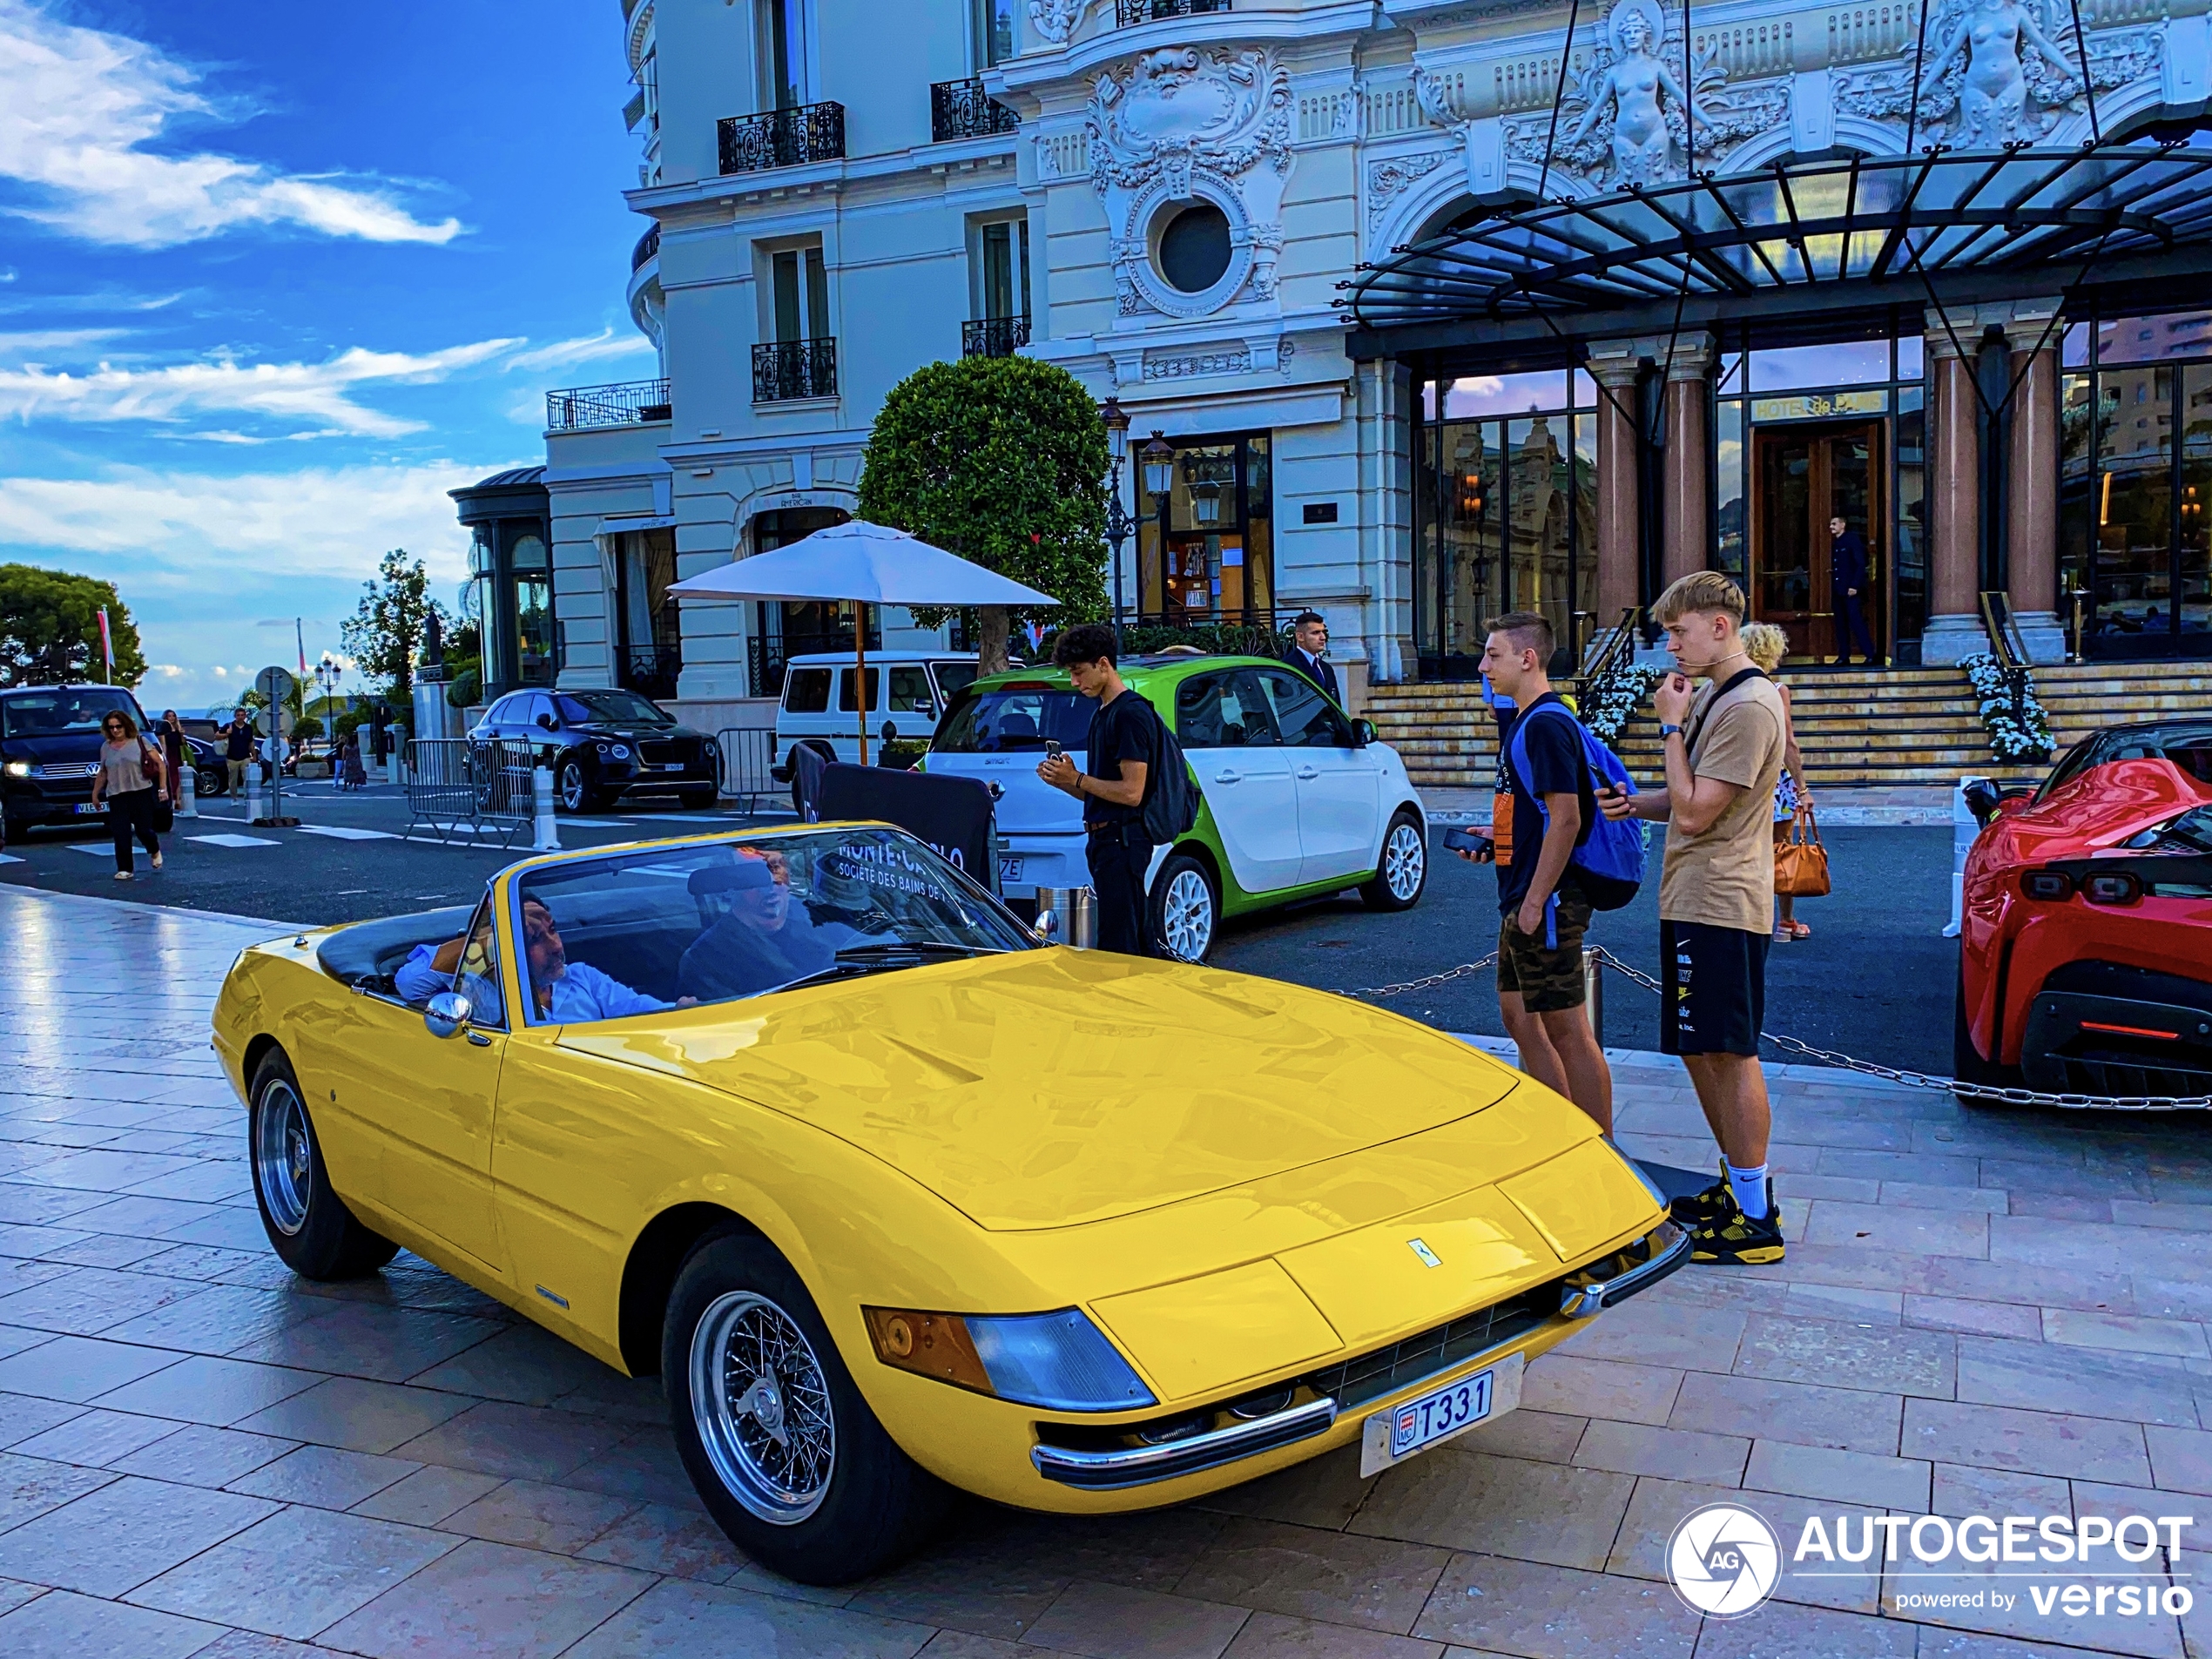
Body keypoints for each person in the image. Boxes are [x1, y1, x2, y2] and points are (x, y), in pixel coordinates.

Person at [1599, 571, 1787, 1264]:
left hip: (1724, 902)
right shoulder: (1716, 694)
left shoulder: (1750, 705)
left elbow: (1700, 808)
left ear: (1721, 626)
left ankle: (1757, 1217)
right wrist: (1631, 802)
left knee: (1731, 1051)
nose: (1669, 645)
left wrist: (1670, 726)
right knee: (1700, 1046)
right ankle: (1738, 1188)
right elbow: (1685, 796)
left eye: (1678, 631)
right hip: (1694, 895)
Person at [1456, 611, 1613, 1131]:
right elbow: (1536, 813)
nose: (1483, 666)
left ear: (1528, 659)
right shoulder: (1528, 719)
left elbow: (1566, 819)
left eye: (1493, 655)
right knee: (1520, 1017)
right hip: (1525, 893)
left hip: (1545, 901)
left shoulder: (1544, 723)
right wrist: (1497, 838)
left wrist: (1534, 901)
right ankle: (1559, 1131)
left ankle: (1602, 1154)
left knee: (1566, 1029)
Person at [1038, 623, 1157, 955]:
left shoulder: (1129, 714)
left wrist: (1076, 779)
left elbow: (1132, 792)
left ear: (1103, 664)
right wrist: (1066, 780)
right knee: (1132, 932)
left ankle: (1130, 1001)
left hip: (1123, 839)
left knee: (1121, 940)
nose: (1075, 683)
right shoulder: (1103, 713)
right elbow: (1103, 791)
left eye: (1079, 673)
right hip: (1107, 839)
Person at [678, 850, 838, 1001]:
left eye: (776, 868)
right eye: (754, 876)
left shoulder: (823, 922)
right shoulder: (705, 958)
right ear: (730, 889)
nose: (770, 886)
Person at [1743, 624, 1813, 941]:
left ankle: (1745, 917)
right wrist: (1802, 787)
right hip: (1773, 780)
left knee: (1744, 849)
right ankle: (1785, 921)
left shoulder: (1730, 688)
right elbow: (1787, 741)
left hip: (1741, 777)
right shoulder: (1776, 689)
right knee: (1780, 851)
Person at [521, 897, 691, 1022]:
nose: (556, 946)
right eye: (534, 939)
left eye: (553, 930)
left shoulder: (581, 976)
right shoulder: (497, 1006)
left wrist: (679, 1011)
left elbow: (637, 1008)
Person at [90, 708, 165, 880]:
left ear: (126, 726)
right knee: (120, 832)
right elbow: (103, 772)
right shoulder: (106, 747)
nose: (115, 730)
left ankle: (154, 850)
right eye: (111, 728)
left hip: (140, 791)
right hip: (116, 794)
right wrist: (95, 794)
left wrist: (162, 789)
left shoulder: (140, 741)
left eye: (119, 726)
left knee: (143, 830)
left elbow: (160, 764)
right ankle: (125, 868)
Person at [1830, 516, 1877, 666]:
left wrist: (1855, 586)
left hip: (1851, 590)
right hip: (1838, 590)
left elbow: (1859, 564)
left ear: (1843, 525)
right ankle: (1844, 656)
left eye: (1834, 524)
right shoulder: (1836, 543)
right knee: (1840, 624)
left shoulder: (1851, 540)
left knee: (1856, 622)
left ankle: (1870, 654)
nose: (1831, 527)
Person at [1285, 611, 1340, 706]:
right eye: (1316, 633)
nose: (1323, 637)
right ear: (1300, 637)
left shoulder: (1326, 668)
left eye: (1323, 632)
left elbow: (1336, 706)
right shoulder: (1288, 667)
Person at [158, 711, 188, 806]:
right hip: (169, 754)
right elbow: (163, 743)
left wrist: (182, 734)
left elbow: (182, 743)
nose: (171, 718)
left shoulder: (178, 729)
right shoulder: (163, 730)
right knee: (170, 776)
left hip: (178, 754)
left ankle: (178, 799)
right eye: (169, 716)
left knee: (179, 777)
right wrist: (164, 756)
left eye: (173, 716)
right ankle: (171, 798)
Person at [223, 708, 253, 796]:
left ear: (245, 716)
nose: (240, 717)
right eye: (238, 715)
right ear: (235, 716)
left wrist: (254, 755)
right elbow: (217, 736)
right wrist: (227, 734)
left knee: (247, 778)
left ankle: (246, 797)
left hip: (245, 757)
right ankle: (234, 797)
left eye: (242, 715)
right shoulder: (228, 726)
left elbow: (251, 742)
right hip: (232, 757)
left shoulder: (248, 728)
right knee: (233, 779)